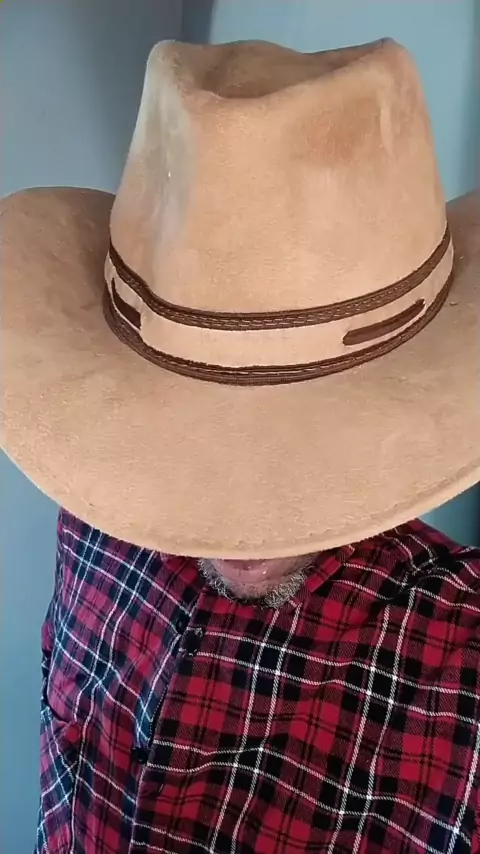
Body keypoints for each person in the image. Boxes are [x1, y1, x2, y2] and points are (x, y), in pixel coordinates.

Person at [2, 37, 479, 854]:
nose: (239, 517)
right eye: (192, 415)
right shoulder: (95, 515)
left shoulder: (461, 665)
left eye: (300, 427)